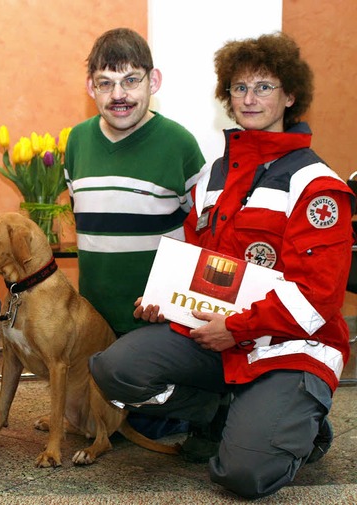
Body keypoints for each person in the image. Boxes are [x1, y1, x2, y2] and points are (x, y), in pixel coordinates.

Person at [89, 32, 354, 499]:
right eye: (239, 88)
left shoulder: (318, 187)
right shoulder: (213, 176)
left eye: (264, 87)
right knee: (115, 368)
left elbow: (320, 299)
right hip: (215, 340)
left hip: (288, 348)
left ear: (290, 95)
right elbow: (192, 261)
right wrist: (162, 302)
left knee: (243, 477)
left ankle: (301, 427)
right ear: (227, 97)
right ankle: (220, 413)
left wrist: (239, 327)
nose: (249, 99)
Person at [64, 28, 205, 438]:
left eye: (131, 81)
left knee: (147, 423)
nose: (118, 95)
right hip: (97, 321)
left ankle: (202, 408)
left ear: (153, 81)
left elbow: (203, 236)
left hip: (156, 321)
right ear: (90, 87)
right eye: (106, 84)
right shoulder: (77, 140)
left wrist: (174, 298)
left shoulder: (179, 143)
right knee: (89, 424)